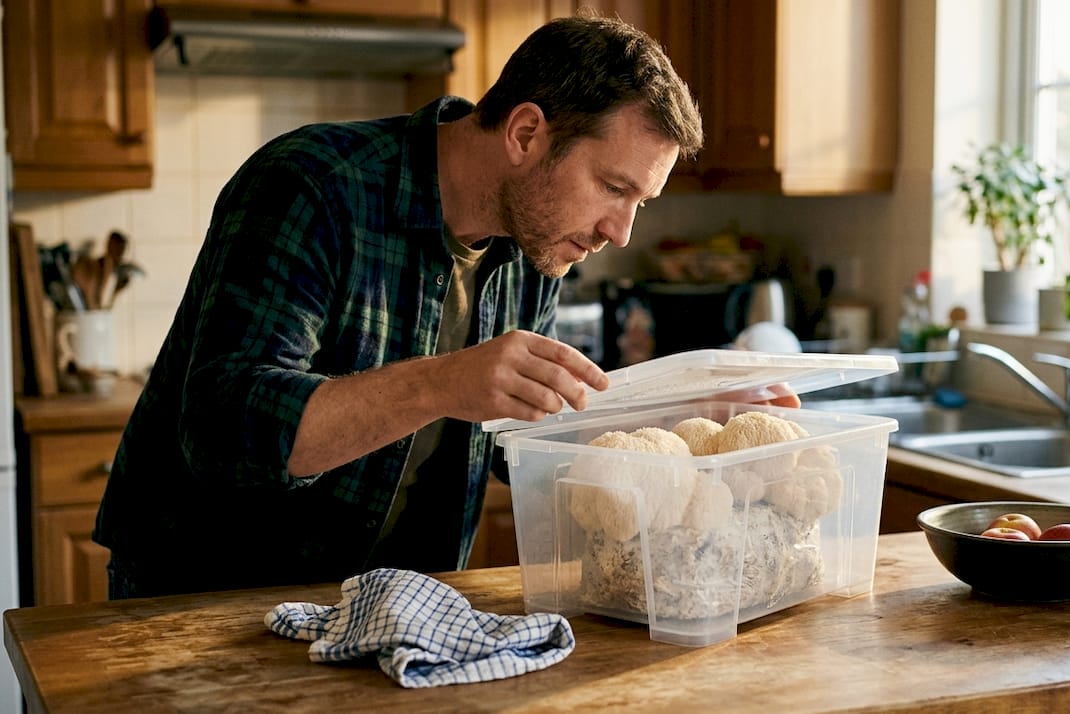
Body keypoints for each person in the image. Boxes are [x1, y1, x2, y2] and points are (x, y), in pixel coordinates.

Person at [92, 14, 713, 599]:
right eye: (612, 187)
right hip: (206, 605)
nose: (622, 232)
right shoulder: (311, 186)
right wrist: (442, 383)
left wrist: (685, 424)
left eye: (641, 202)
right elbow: (225, 431)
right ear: (526, 134)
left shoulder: (540, 239)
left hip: (402, 613)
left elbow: (515, 442)